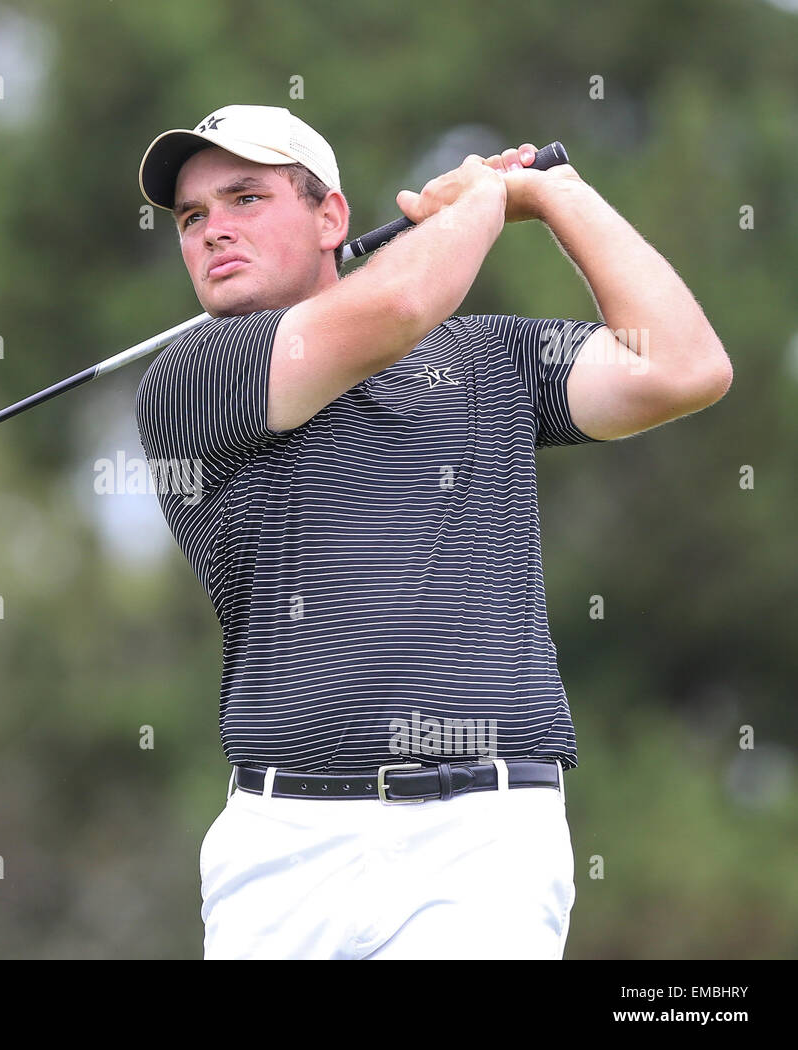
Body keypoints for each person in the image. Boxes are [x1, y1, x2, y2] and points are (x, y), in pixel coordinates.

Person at [133, 104, 732, 960]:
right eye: (193, 218)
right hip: (281, 850)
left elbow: (684, 365)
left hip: (482, 843)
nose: (213, 231)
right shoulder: (192, 379)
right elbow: (400, 303)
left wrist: (557, 195)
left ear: (331, 218)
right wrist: (484, 199)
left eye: (245, 199)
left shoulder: (492, 359)